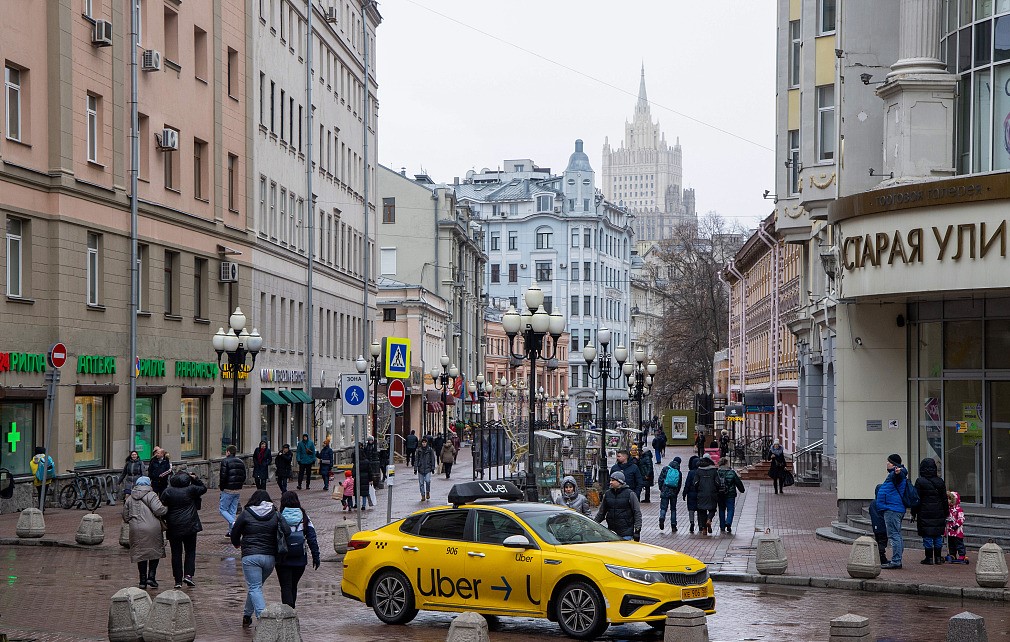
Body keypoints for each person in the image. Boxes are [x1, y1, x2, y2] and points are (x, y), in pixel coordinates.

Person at [230, 490, 279, 628]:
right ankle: (247, 615)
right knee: (256, 587)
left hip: (251, 556)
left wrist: (237, 543)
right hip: (270, 557)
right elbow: (284, 530)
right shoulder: (275, 514)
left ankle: (264, 620)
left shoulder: (246, 513)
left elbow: (235, 532)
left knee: (255, 587)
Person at [160, 471, 207, 589]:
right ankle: (188, 575)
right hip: (190, 525)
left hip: (174, 526)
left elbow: (162, 505)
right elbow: (203, 488)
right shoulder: (191, 489)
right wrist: (195, 478)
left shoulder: (168, 491)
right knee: (190, 552)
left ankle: (177, 580)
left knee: (176, 554)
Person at [275, 491, 320, 609]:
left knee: (285, 586)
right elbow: (312, 538)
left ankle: (287, 611)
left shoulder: (279, 516)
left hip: (283, 558)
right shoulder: (304, 517)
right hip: (300, 558)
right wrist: (316, 556)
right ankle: (291, 610)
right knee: (293, 585)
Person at [122, 475, 167, 589]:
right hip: (152, 528)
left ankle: (142, 580)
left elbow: (125, 517)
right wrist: (167, 509)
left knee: (140, 553)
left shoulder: (129, 498)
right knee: (154, 551)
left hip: (135, 529)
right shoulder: (152, 495)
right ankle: (151, 578)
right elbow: (159, 510)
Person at [911, 457, 948, 565]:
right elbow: (944, 499)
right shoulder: (940, 481)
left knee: (927, 535)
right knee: (937, 535)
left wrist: (914, 512)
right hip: (939, 512)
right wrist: (946, 512)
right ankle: (937, 557)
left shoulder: (920, 481)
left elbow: (916, 499)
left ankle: (929, 558)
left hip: (924, 512)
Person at [876, 453, 909, 569]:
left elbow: (901, 474)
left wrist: (898, 472)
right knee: (897, 534)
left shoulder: (897, 473)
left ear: (894, 464)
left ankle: (896, 561)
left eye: (889, 462)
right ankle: (897, 558)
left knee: (894, 535)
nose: (887, 463)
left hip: (892, 509)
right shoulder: (894, 474)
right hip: (894, 508)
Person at [594, 471, 642, 541]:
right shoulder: (607, 494)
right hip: (611, 532)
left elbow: (637, 512)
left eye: (613, 480)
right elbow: (601, 513)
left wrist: (637, 530)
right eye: (610, 480)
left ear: (620, 481)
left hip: (626, 533)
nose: (610, 482)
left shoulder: (630, 494)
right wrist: (593, 524)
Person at [219, 445, 247, 536]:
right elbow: (244, 476)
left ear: (228, 452)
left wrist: (222, 487)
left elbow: (223, 476)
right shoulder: (241, 462)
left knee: (222, 509)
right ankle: (232, 532)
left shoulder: (225, 461)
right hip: (237, 489)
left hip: (228, 489)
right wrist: (239, 485)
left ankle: (234, 524)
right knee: (232, 510)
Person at [693, 454, 723, 535]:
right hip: (712, 493)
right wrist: (716, 490)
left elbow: (695, 483)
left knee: (702, 511)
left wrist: (698, 490)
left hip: (701, 493)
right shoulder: (713, 470)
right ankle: (709, 519)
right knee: (712, 509)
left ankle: (704, 529)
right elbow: (717, 482)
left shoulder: (698, 470)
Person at [716, 457, 745, 534]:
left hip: (720, 494)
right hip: (730, 494)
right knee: (730, 509)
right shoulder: (731, 472)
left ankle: (722, 526)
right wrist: (742, 490)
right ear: (726, 463)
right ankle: (728, 522)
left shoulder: (717, 472)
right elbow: (738, 482)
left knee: (721, 510)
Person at [657, 456, 682, 532]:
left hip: (665, 491)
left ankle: (662, 517)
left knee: (663, 508)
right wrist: (676, 492)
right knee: (673, 509)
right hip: (674, 493)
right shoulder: (679, 472)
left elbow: (660, 479)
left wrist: (661, 488)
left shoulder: (665, 469)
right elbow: (679, 484)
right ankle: (673, 525)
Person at [868, 485, 890, 565]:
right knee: (882, 542)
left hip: (875, 526)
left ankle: (879, 557)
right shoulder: (883, 503)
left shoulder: (873, 503)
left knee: (878, 541)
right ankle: (881, 558)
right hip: (883, 526)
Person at [945, 491, 968, 564]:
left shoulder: (958, 509)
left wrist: (957, 525)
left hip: (957, 531)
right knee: (951, 543)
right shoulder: (948, 509)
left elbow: (961, 518)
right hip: (950, 530)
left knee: (959, 543)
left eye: (949, 499)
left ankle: (962, 555)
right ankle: (952, 554)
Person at [682, 455, 700, 533]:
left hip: (691, 494)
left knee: (691, 510)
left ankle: (692, 523)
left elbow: (687, 484)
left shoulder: (691, 472)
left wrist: (684, 493)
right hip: (699, 493)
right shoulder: (700, 472)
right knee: (700, 510)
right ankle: (700, 524)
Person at [416, 437, 437, 501]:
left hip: (428, 468)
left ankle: (428, 491)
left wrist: (433, 467)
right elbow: (416, 459)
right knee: (421, 483)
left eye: (425, 442)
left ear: (427, 443)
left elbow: (432, 459)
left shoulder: (430, 450)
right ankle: (422, 495)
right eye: (423, 442)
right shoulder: (419, 450)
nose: (424, 443)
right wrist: (415, 468)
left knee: (428, 481)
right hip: (420, 468)